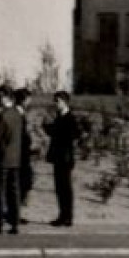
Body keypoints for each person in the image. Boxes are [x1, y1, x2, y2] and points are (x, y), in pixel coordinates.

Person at [0, 86, 25, 234]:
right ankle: (15, 223)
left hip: (2, 158)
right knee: (14, 191)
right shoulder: (17, 114)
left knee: (0, 191)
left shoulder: (2, 115)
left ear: (6, 97)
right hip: (15, 158)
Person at [44, 91, 81, 227]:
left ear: (64, 102)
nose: (55, 104)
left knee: (65, 188)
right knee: (60, 188)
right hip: (60, 157)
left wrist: (52, 130)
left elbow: (74, 134)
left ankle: (67, 216)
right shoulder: (61, 117)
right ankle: (63, 215)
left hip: (64, 158)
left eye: (57, 101)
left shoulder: (69, 118)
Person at [13, 88, 36, 221]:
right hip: (19, 153)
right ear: (23, 100)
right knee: (22, 182)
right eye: (28, 98)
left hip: (23, 153)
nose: (29, 101)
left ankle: (16, 212)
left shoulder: (22, 113)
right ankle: (15, 213)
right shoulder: (17, 113)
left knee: (25, 181)